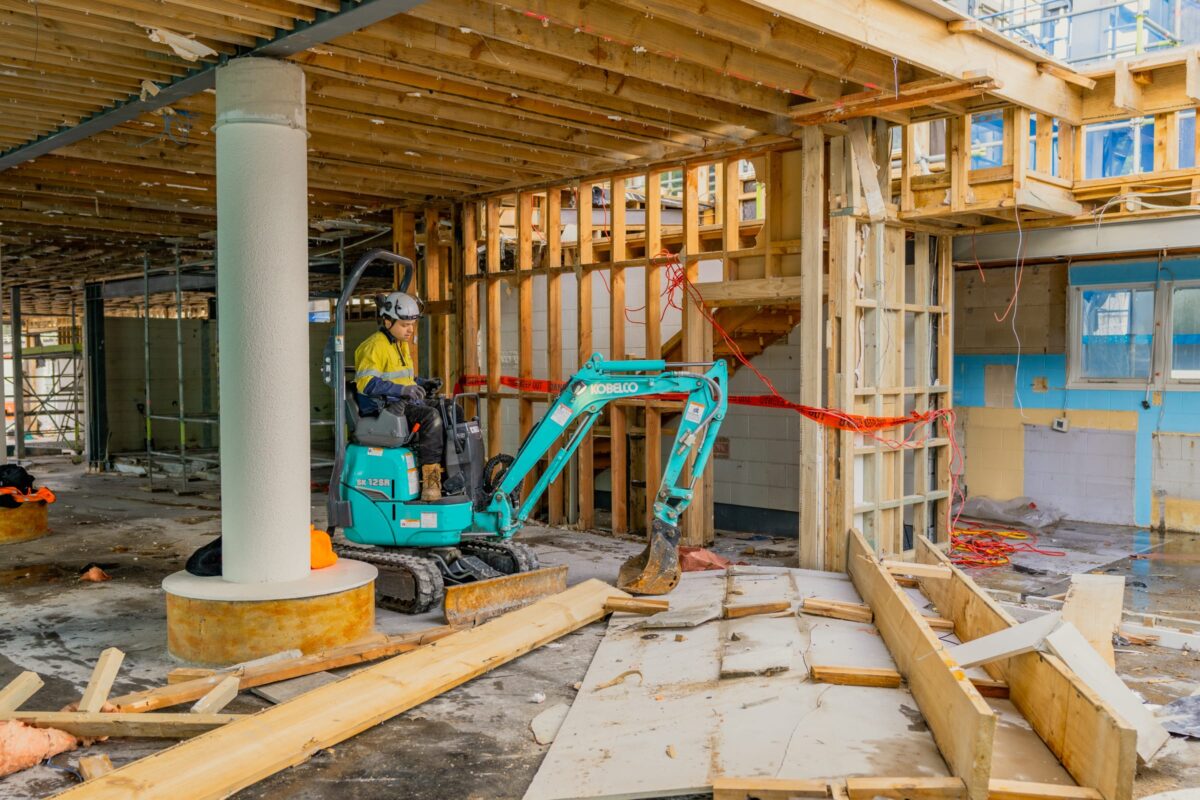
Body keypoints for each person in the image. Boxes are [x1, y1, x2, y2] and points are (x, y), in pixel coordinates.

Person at [354, 291, 444, 500]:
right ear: (387, 321)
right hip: (385, 407)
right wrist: (403, 390)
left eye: (412, 324)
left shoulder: (400, 344)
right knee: (431, 417)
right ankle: (431, 484)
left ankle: (451, 472)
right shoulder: (374, 346)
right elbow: (366, 383)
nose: (410, 329)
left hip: (403, 401)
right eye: (405, 325)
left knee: (450, 409)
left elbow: (403, 379)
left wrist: (422, 383)